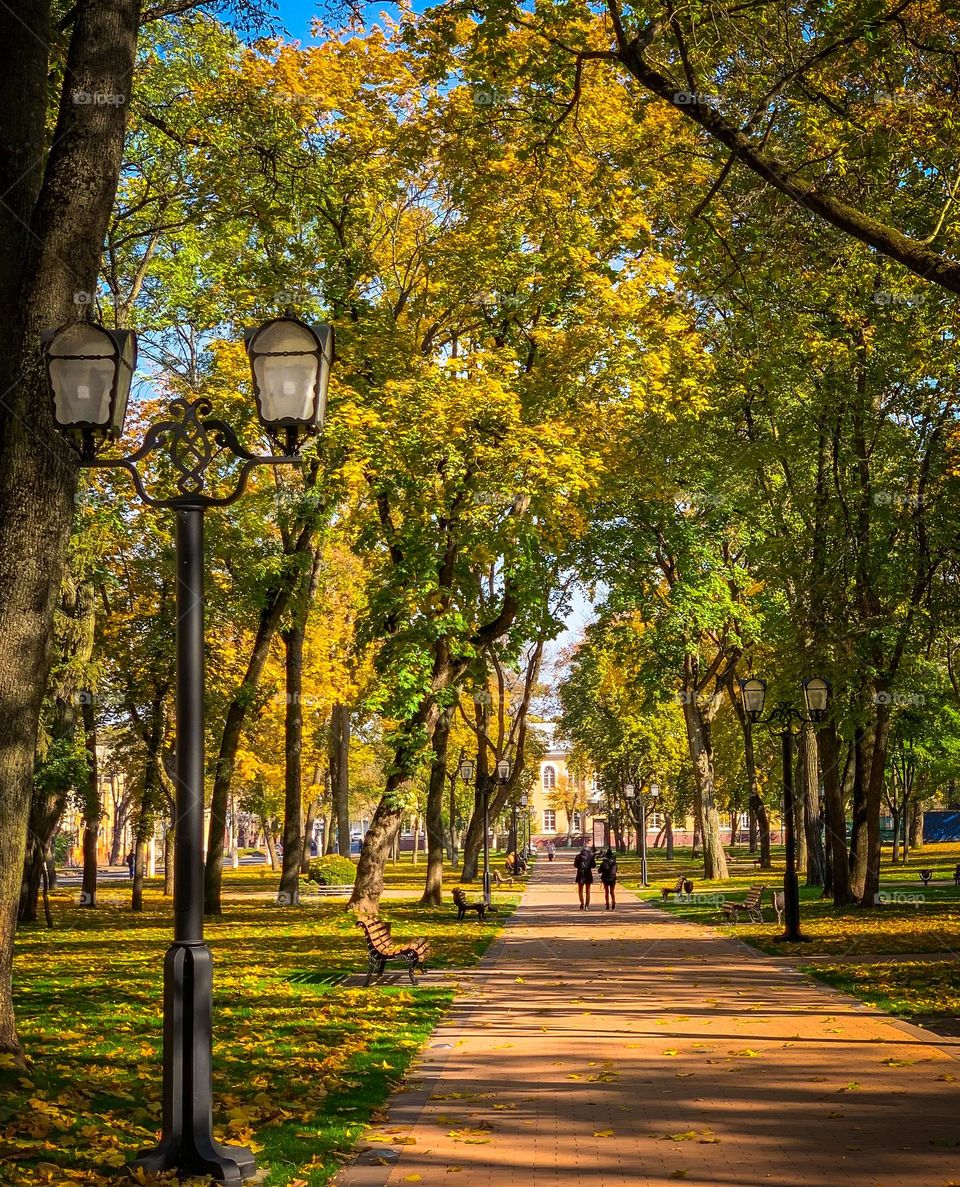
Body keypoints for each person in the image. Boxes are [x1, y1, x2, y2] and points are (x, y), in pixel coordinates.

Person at [573, 843, 596, 910]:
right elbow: (593, 866)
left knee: (580, 891)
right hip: (588, 873)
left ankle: (582, 903)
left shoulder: (578, 856)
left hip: (580, 874)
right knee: (588, 891)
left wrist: (580, 866)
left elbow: (575, 865)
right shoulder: (591, 856)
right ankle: (587, 905)